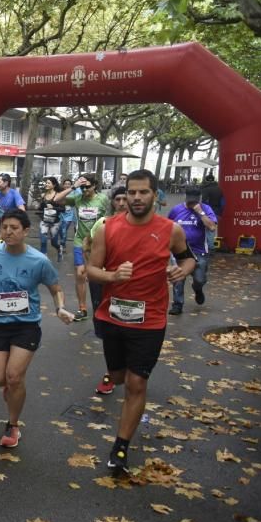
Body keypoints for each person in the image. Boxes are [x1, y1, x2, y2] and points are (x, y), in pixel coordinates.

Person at [86, 169, 196, 475]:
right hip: (113, 315)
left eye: (143, 192)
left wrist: (183, 271)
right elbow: (91, 270)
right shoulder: (107, 228)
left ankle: (120, 446)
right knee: (118, 376)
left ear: (155, 196)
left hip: (150, 320)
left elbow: (189, 258)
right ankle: (115, 380)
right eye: (132, 192)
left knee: (137, 383)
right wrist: (112, 275)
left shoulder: (170, 229)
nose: (136, 198)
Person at [0, 210, 74, 448]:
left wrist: (60, 308)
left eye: (14, 228)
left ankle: (13, 424)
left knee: (14, 377)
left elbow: (55, 287)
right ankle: (11, 387)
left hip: (25, 325)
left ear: (26, 231)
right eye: (4, 227)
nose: (8, 232)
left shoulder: (39, 260)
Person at [53, 172, 108, 320]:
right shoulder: (77, 198)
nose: (84, 191)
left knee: (99, 277)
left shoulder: (103, 199)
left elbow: (112, 218)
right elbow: (57, 199)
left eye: (87, 187)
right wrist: (73, 187)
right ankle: (82, 309)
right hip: (79, 241)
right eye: (82, 188)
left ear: (95, 186)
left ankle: (102, 306)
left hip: (98, 243)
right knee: (80, 274)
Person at [90, 186, 129, 395]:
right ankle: (112, 370)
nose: (122, 203)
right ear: (112, 202)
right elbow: (88, 246)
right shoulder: (102, 224)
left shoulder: (141, 226)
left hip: (131, 286)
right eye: (118, 199)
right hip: (104, 282)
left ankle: (126, 370)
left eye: (125, 198)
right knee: (107, 327)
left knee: (128, 326)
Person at [167, 186, 217, 315]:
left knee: (200, 279)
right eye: (190, 200)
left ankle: (198, 289)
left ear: (200, 198)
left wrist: (200, 212)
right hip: (180, 251)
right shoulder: (176, 210)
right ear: (185, 197)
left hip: (199, 251)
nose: (192, 203)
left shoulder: (205, 209)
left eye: (195, 200)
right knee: (178, 277)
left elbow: (212, 227)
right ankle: (177, 305)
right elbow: (167, 227)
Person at [37, 177, 64, 261]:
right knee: (43, 241)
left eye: (48, 183)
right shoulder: (43, 195)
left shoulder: (58, 195)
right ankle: (43, 259)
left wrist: (54, 208)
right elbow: (41, 208)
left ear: (54, 185)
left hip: (55, 222)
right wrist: (39, 206)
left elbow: (63, 209)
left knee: (53, 242)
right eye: (46, 183)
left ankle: (59, 248)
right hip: (44, 221)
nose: (46, 184)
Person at [200, 174, 224, 250]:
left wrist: (202, 213)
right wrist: (220, 211)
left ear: (206, 180)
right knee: (212, 230)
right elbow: (223, 202)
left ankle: (210, 248)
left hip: (208, 213)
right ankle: (210, 247)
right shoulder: (219, 189)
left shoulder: (205, 189)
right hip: (217, 212)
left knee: (207, 231)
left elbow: (204, 202)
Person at [57, 178, 76, 250]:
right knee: (60, 230)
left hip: (69, 214)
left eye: (69, 184)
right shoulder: (60, 192)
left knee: (64, 229)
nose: (67, 185)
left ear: (71, 185)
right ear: (63, 185)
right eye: (66, 184)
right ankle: (63, 242)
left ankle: (62, 245)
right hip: (60, 214)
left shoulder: (74, 192)